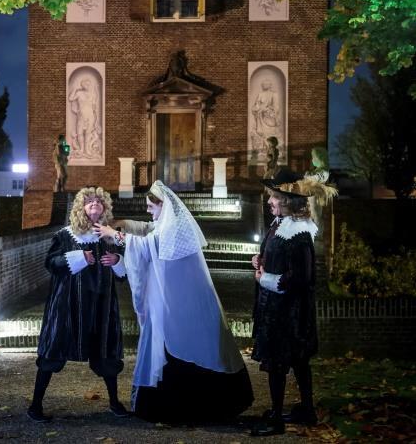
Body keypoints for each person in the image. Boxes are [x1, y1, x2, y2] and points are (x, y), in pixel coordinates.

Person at [94, 179, 254, 424]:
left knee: (178, 346)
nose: (148, 211)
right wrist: (124, 225)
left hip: (179, 307)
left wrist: (115, 234)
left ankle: (181, 407)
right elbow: (149, 230)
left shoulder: (172, 230)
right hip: (179, 304)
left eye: (152, 207)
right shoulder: (169, 224)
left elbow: (150, 244)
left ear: (164, 207)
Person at [27, 186, 128, 423]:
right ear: (81, 207)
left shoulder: (110, 235)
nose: (94, 204)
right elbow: (50, 263)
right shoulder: (65, 235)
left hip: (101, 306)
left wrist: (117, 260)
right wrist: (78, 258)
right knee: (52, 353)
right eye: (89, 201)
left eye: (99, 201)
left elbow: (124, 274)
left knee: (106, 355)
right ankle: (35, 405)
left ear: (104, 207)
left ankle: (114, 402)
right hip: (67, 305)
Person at [250, 169, 336, 437]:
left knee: (280, 364)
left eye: (273, 197)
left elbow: (301, 276)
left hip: (289, 313)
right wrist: (260, 258)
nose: (269, 202)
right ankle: (307, 410)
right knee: (298, 362)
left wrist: (267, 279)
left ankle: (276, 419)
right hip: (278, 309)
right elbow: (276, 255)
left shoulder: (299, 232)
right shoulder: (280, 224)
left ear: (287, 200)